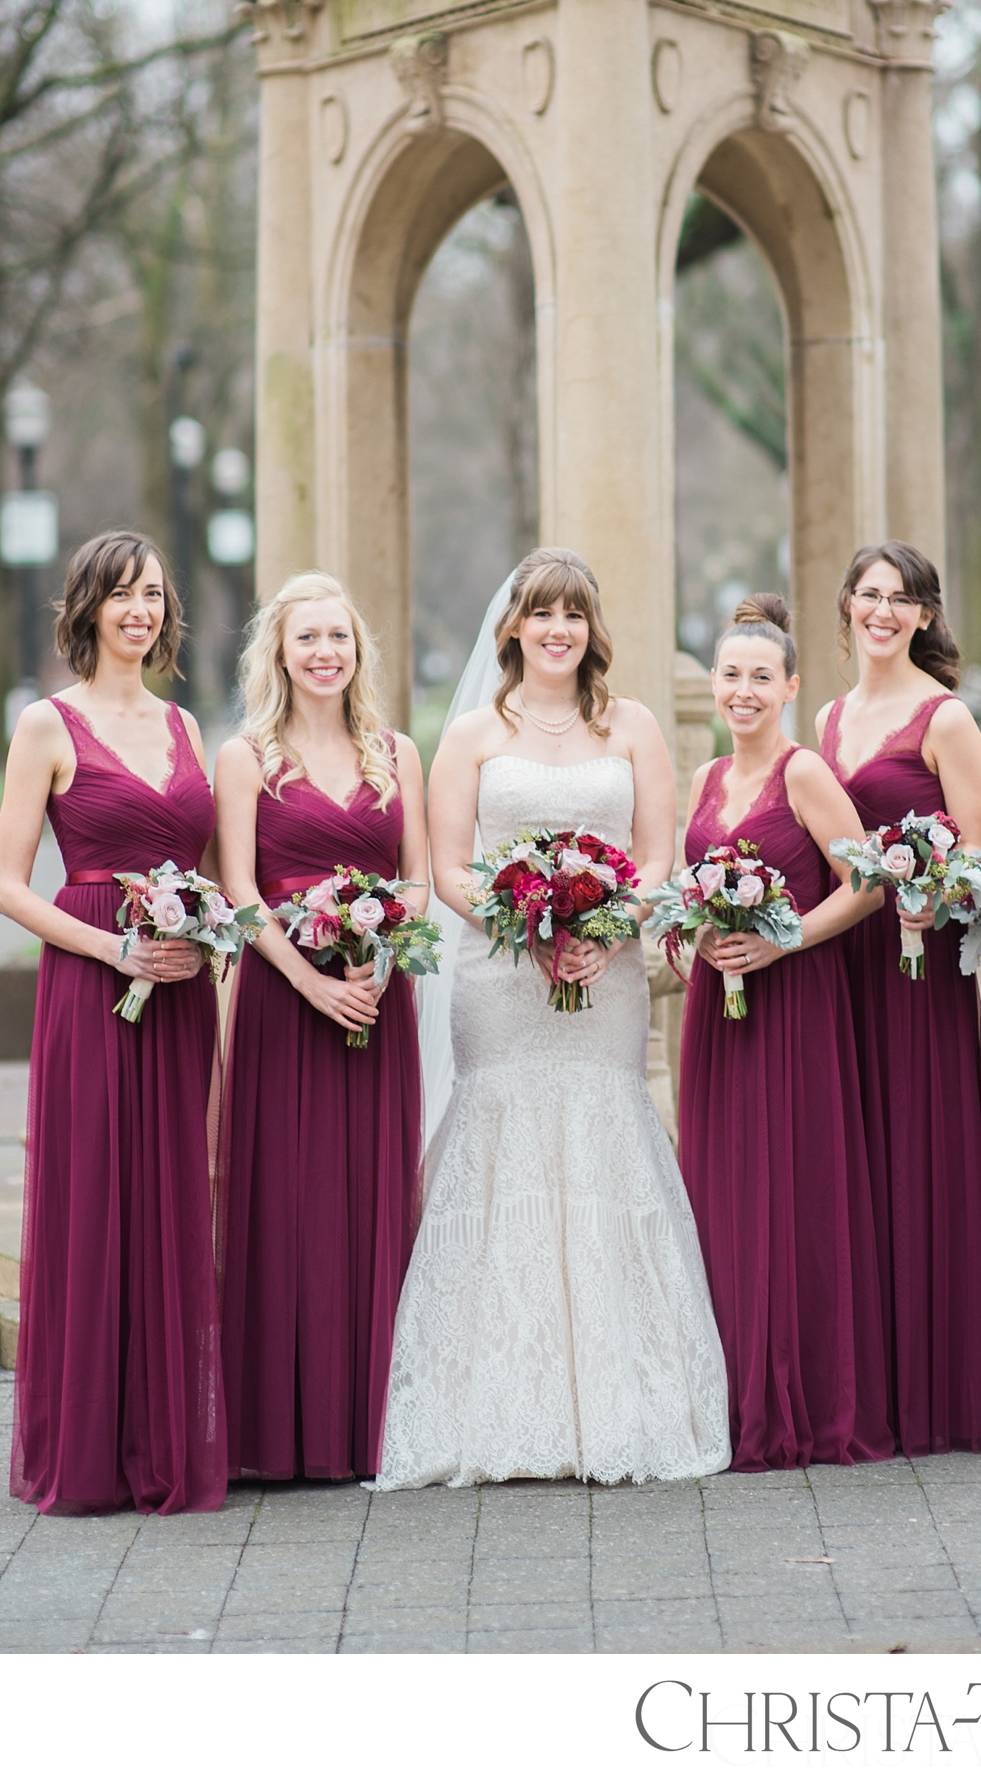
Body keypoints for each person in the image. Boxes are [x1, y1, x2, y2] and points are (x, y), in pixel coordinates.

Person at [374, 548, 729, 1489]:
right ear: (515, 628)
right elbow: (449, 866)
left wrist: (609, 930)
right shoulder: (474, 736)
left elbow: (658, 854)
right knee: (503, 1144)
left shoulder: (635, 726)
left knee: (600, 1136)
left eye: (573, 614)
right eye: (541, 614)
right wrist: (515, 923)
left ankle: (619, 1403)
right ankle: (491, 1406)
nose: (557, 630)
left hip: (601, 978)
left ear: (591, 629)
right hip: (501, 979)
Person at [0, 533, 225, 1514]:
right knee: (94, 1196)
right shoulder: (46, 726)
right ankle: (86, 1445)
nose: (138, 609)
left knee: (171, 1196)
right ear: (88, 606)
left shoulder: (184, 726)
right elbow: (7, 886)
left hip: (178, 983)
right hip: (92, 980)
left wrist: (199, 931)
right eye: (121, 594)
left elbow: (206, 866)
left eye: (152, 595)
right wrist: (111, 950)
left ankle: (161, 1435)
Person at [214, 575, 425, 1482]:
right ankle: (278, 1432)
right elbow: (238, 891)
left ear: (357, 649)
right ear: (279, 653)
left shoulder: (397, 753)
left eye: (338, 636)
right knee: (287, 1200)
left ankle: (367, 1424)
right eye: (307, 639)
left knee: (371, 1196)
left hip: (377, 1001)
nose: (325, 653)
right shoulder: (245, 757)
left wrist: (384, 958)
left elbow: (415, 878)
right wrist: (306, 979)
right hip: (282, 1001)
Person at [679, 594, 894, 1469]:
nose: (742, 692)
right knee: (723, 1187)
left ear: (792, 686)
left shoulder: (804, 774)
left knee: (788, 1188)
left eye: (760, 677)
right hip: (717, 1006)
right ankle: (726, 1391)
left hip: (793, 1004)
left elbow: (869, 882)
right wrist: (695, 930)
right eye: (730, 676)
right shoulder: (703, 782)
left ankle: (794, 1392)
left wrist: (784, 938)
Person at [816, 544, 981, 1455]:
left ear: (925, 616)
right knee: (846, 1161)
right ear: (846, 606)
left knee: (915, 1150)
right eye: (869, 595)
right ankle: (858, 1375)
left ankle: (932, 1387)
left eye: (901, 600)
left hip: (912, 962)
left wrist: (937, 894)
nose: (882, 612)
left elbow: (977, 849)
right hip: (830, 959)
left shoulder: (946, 719)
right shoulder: (823, 717)